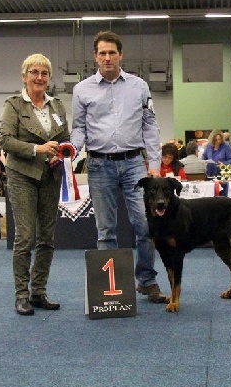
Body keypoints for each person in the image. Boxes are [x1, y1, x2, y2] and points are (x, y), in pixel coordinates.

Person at [71, 30, 167, 304]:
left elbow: (150, 125)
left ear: (121, 55)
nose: (107, 57)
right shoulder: (82, 90)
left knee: (145, 225)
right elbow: (79, 128)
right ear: (95, 57)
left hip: (135, 165)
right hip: (99, 165)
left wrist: (155, 165)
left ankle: (146, 280)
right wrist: (71, 151)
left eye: (112, 52)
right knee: (106, 231)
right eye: (102, 53)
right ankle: (111, 288)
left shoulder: (140, 87)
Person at [0, 53, 70, 315]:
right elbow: (6, 140)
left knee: (47, 238)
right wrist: (38, 149)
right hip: (22, 176)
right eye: (34, 72)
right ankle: (21, 294)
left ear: (49, 78)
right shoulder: (14, 104)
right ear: (24, 76)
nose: (39, 77)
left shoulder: (58, 106)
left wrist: (59, 154)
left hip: (51, 177)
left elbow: (65, 138)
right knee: (25, 236)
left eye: (44, 73)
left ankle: (39, 291)